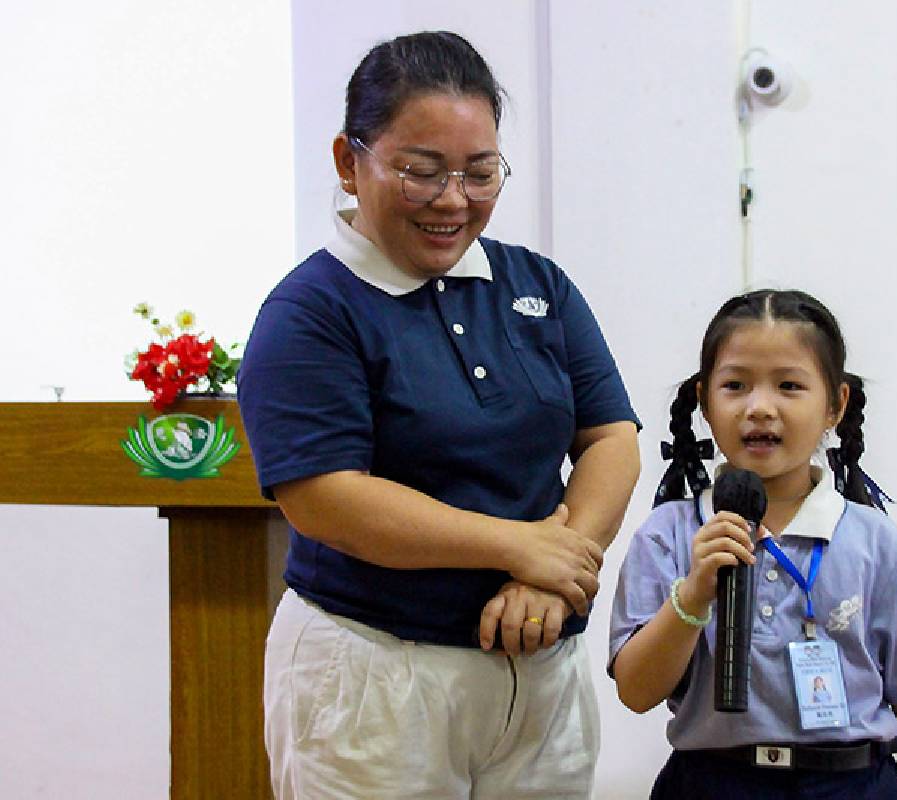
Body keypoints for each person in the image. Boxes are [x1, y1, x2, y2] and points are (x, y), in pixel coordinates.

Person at [238, 31, 640, 799]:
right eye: (421, 171)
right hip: (377, 676)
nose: (454, 199)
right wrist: (522, 547)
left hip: (540, 672)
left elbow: (611, 437)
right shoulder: (311, 310)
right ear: (349, 161)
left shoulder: (537, 283)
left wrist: (558, 570)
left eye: (480, 172)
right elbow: (327, 497)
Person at [609, 290, 897, 799]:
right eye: (735, 385)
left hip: (850, 783)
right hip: (711, 783)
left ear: (836, 405)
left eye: (789, 385)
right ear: (704, 403)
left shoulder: (873, 542)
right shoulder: (669, 533)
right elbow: (635, 691)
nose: (760, 408)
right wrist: (693, 595)